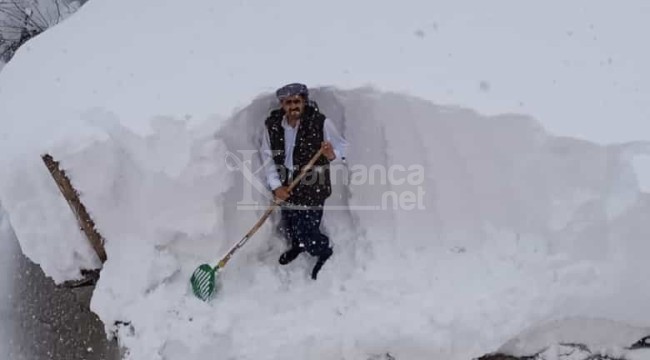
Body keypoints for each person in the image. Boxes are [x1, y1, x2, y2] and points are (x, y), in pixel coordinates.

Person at [261, 83, 348, 280]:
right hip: (286, 185)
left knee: (308, 228)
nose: (293, 106)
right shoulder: (272, 126)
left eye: (297, 101)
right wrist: (276, 187)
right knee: (290, 224)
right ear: (282, 104)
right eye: (288, 102)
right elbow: (267, 156)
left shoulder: (320, 122)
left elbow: (343, 147)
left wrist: (332, 154)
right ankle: (297, 246)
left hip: (313, 185)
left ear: (304, 101)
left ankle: (321, 249)